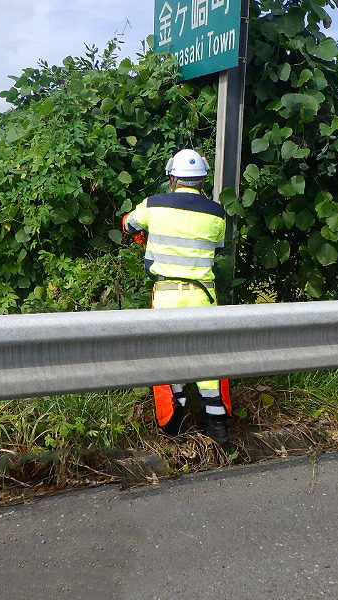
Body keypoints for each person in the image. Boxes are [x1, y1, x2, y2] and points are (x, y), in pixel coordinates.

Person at [122, 149, 232, 443]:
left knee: (169, 358)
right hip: (203, 296)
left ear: (172, 176)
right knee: (209, 359)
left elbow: (129, 224)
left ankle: (175, 427)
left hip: (167, 295)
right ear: (202, 179)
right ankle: (217, 427)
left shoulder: (153, 205)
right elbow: (217, 246)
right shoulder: (217, 212)